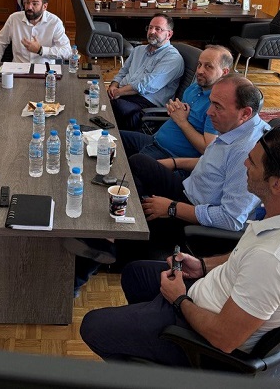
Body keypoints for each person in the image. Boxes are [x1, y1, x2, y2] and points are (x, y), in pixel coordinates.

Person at [80, 125, 280, 366]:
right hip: (208, 294)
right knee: (135, 274)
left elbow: (224, 339)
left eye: (252, 162)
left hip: (204, 340)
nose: (244, 164)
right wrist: (203, 265)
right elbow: (244, 256)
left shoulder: (273, 260)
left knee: (92, 327)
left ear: (277, 185)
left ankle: (160, 362)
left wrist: (179, 299)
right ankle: (146, 338)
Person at [67, 75, 266, 277]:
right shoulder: (235, 127)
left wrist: (172, 207)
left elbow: (231, 219)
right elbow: (214, 165)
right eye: (211, 103)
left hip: (194, 212)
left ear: (245, 113)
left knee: (128, 210)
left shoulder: (247, 152)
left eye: (217, 106)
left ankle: (81, 270)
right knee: (139, 162)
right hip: (187, 189)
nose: (209, 112)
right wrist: (174, 162)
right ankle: (110, 237)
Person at [120, 45, 232, 161]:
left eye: (208, 66)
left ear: (224, 72)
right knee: (112, 139)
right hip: (154, 140)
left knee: (124, 163)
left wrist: (182, 121)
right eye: (199, 64)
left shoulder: (217, 106)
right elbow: (179, 114)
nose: (199, 71)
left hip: (169, 155)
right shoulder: (194, 88)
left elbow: (206, 149)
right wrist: (174, 110)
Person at [108, 14, 184, 131]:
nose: (152, 31)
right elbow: (123, 71)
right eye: (150, 27)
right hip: (124, 94)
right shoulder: (138, 50)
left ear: (169, 34)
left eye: (158, 29)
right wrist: (113, 85)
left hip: (146, 104)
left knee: (112, 107)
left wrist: (118, 92)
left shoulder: (172, 58)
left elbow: (146, 85)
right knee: (95, 97)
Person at [0, 0, 72, 65]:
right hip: (18, 69)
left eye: (35, 4)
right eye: (27, 2)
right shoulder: (14, 19)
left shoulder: (55, 22)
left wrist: (41, 50)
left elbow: (67, 52)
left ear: (44, 6)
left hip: (44, 70)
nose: (29, 7)